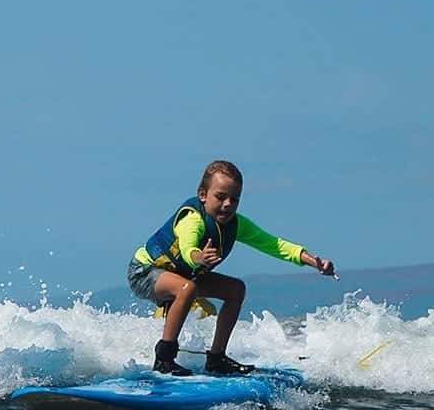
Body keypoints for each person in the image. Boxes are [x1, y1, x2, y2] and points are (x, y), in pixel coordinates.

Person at [127, 160, 335, 376]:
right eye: (220, 197)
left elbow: (274, 244)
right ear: (202, 195)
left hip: (180, 275)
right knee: (186, 288)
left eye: (234, 199)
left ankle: (216, 359)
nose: (228, 204)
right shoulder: (193, 220)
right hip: (144, 271)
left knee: (235, 290)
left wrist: (312, 261)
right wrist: (200, 257)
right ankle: (164, 360)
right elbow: (188, 248)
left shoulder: (236, 225)